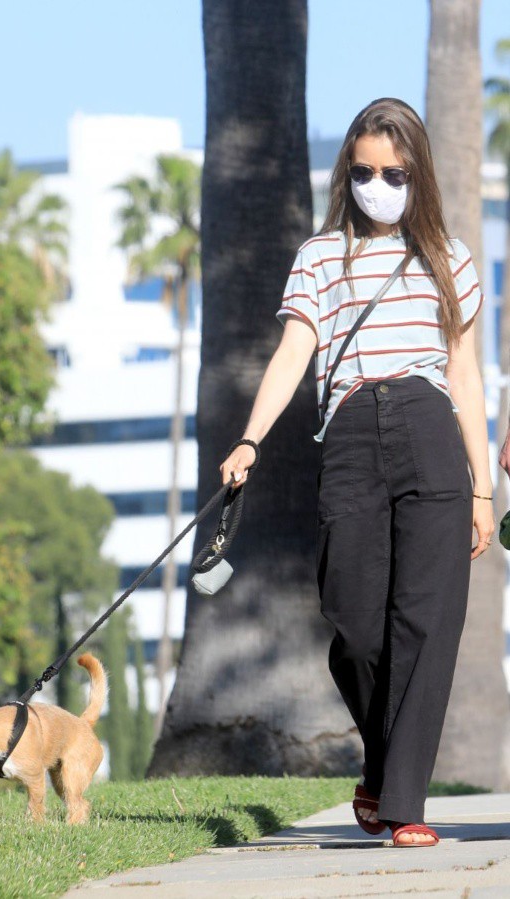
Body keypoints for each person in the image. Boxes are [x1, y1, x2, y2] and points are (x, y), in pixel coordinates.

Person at [220, 98, 494, 847]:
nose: (378, 183)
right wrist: (250, 438)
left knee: (425, 622)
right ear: (348, 172)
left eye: (394, 172)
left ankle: (403, 803)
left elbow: (466, 376)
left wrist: (482, 486)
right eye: (364, 170)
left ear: (418, 174)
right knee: (355, 617)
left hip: (432, 430)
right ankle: (381, 766)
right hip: (349, 435)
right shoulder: (319, 255)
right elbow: (293, 353)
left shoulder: (450, 256)